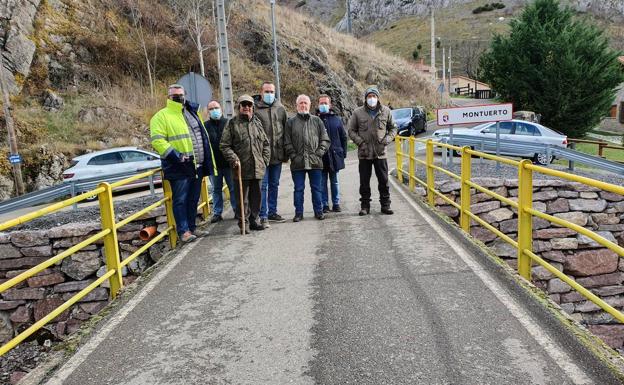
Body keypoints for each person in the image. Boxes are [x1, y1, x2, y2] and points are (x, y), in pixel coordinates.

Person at [150, 84, 216, 243]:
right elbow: (157, 141)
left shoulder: (193, 113)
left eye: (180, 95)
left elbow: (202, 136)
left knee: (193, 198)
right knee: (180, 199)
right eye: (175, 95)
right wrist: (176, 156)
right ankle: (183, 231)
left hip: (197, 164)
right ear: (168, 97)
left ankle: (192, 228)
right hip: (178, 166)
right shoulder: (161, 116)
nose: (178, 98)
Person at [220, 95, 270, 233]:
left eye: (249, 105)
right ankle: (244, 223)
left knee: (257, 197)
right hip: (240, 168)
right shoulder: (232, 124)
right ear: (239, 107)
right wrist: (233, 158)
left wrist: (264, 160)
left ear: (252, 107)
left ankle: (254, 220)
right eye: (244, 105)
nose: (246, 107)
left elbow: (266, 144)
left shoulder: (257, 123)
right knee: (243, 199)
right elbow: (224, 145)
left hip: (257, 167)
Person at [347, 86, 397, 216]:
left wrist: (387, 139)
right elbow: (351, 130)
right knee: (364, 182)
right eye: (369, 96)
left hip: (380, 153)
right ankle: (365, 206)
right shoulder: (357, 112)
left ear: (378, 97)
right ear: (366, 98)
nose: (372, 99)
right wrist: (360, 142)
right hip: (364, 153)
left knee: (384, 181)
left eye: (374, 96)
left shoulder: (386, 111)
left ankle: (386, 205)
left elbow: (393, 128)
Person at [284, 94, 330, 222]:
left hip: (315, 162)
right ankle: (298, 213)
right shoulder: (290, 122)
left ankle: (318, 212)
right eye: (301, 103)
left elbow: (325, 140)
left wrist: (319, 153)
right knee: (298, 189)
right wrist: (293, 156)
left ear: (309, 105)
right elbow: (287, 142)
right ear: (297, 105)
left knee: (316, 189)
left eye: (305, 103)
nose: (303, 105)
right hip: (298, 163)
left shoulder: (317, 121)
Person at [255, 82, 288, 227]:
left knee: (274, 184)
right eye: (267, 91)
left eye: (272, 91)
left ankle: (272, 212)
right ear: (261, 93)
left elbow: (286, 130)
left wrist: (286, 153)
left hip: (277, 155)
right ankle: (263, 215)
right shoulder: (255, 109)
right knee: (263, 186)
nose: (270, 94)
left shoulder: (280, 108)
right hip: (262, 156)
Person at [204, 100, 237, 223]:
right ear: (208, 112)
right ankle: (217, 213)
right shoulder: (205, 126)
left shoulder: (229, 123)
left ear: (221, 109)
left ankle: (236, 210)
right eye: (211, 109)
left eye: (216, 108)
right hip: (214, 165)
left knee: (233, 188)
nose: (214, 110)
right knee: (216, 189)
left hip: (229, 163)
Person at [317, 94, 347, 213]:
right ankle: (324, 204)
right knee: (322, 182)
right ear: (318, 105)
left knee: (334, 181)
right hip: (321, 157)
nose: (323, 105)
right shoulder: (315, 119)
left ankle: (336, 203)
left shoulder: (336, 120)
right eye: (321, 103)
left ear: (330, 105)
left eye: (325, 103)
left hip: (335, 156)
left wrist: (343, 153)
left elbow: (343, 137)